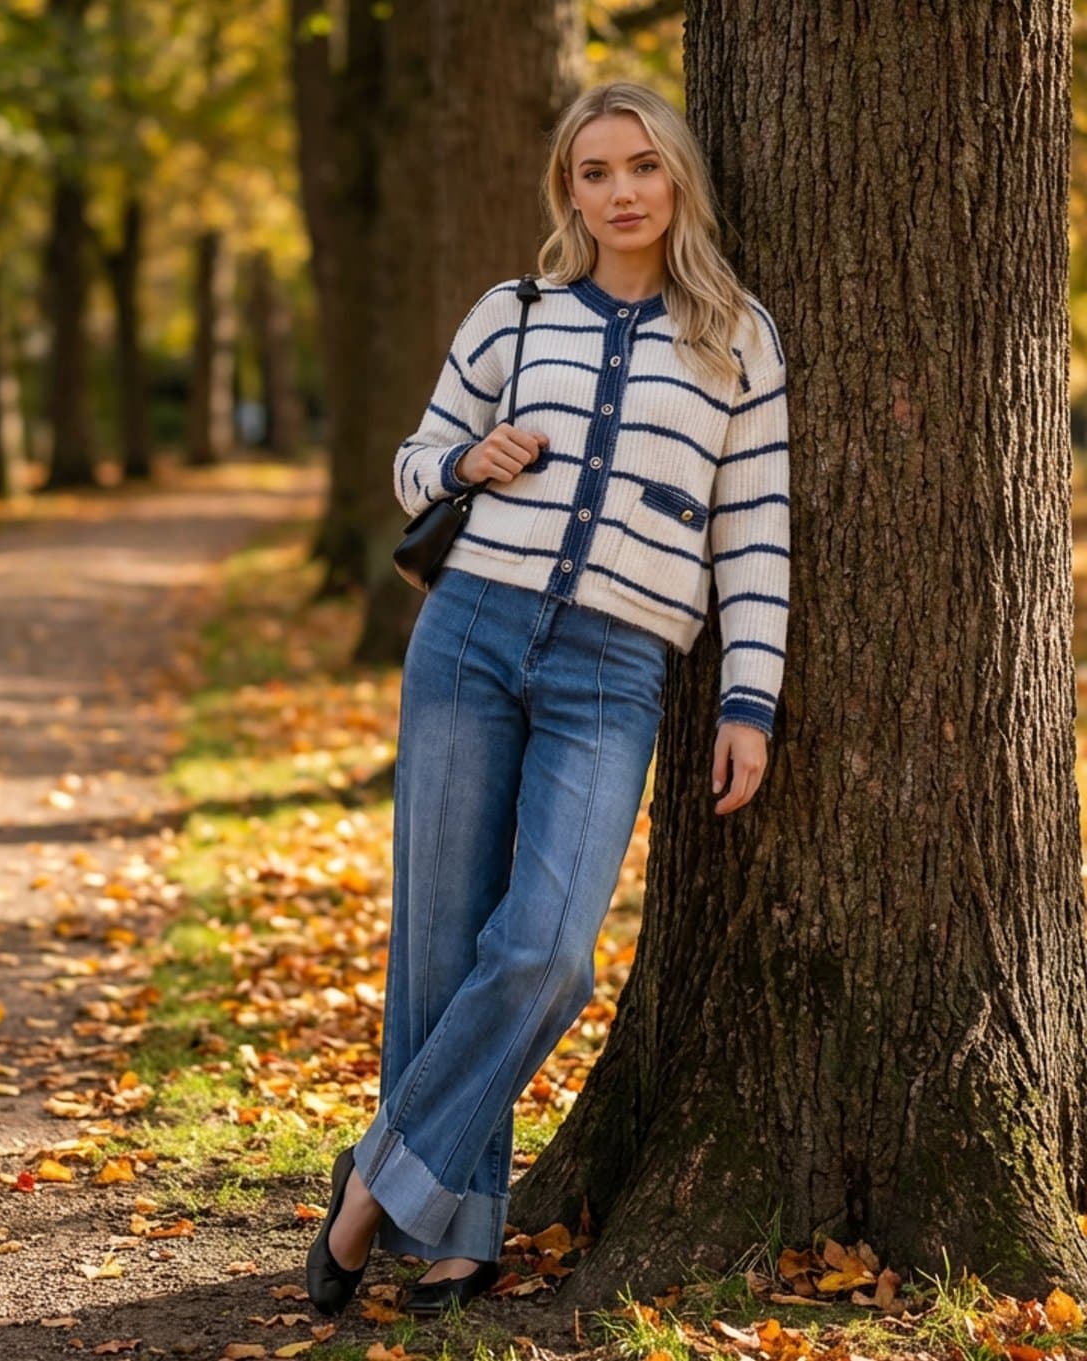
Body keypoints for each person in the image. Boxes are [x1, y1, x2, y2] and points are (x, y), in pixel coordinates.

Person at [306, 79, 789, 1319]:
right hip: (470, 633)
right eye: (594, 172)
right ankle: (461, 1232)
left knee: (546, 952)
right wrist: (466, 458)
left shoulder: (736, 336)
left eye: (642, 166)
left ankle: (371, 1188)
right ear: (567, 191)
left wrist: (751, 697)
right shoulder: (512, 315)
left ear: (677, 177)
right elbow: (416, 461)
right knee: (439, 945)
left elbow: (755, 531)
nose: (621, 191)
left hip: (615, 669)